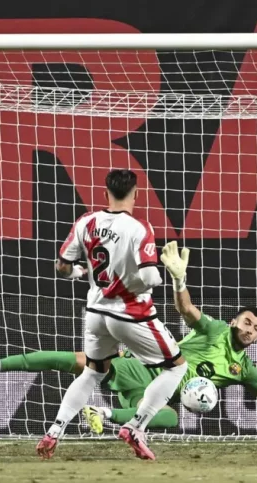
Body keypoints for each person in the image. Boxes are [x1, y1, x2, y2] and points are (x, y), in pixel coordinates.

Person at [0, 242, 257, 434]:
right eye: (248, 322)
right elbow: (186, 310)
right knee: (78, 360)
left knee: (168, 416)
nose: (251, 330)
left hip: (162, 396)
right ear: (235, 320)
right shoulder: (217, 330)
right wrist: (179, 279)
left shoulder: (243, 368)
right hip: (147, 368)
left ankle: (103, 416)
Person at [37, 169, 187, 461]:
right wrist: (173, 275)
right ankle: (135, 426)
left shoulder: (86, 221)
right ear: (136, 194)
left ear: (105, 194)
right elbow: (148, 276)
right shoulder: (139, 228)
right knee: (176, 367)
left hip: (95, 312)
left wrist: (80, 271)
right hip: (131, 314)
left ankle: (54, 431)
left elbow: (62, 267)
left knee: (93, 372)